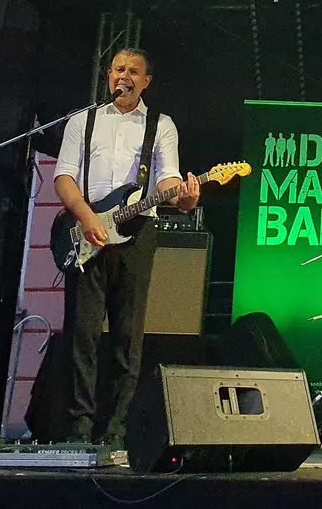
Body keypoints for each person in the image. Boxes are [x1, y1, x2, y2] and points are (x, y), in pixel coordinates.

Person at [54, 47, 200, 458]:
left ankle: (115, 429)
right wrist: (86, 217)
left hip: (137, 234)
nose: (125, 76)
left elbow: (168, 179)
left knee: (126, 335)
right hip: (85, 233)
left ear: (146, 81)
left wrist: (186, 197)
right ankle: (78, 427)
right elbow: (63, 176)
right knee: (82, 333)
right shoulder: (82, 122)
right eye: (119, 69)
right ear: (108, 75)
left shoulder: (161, 125)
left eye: (134, 71)